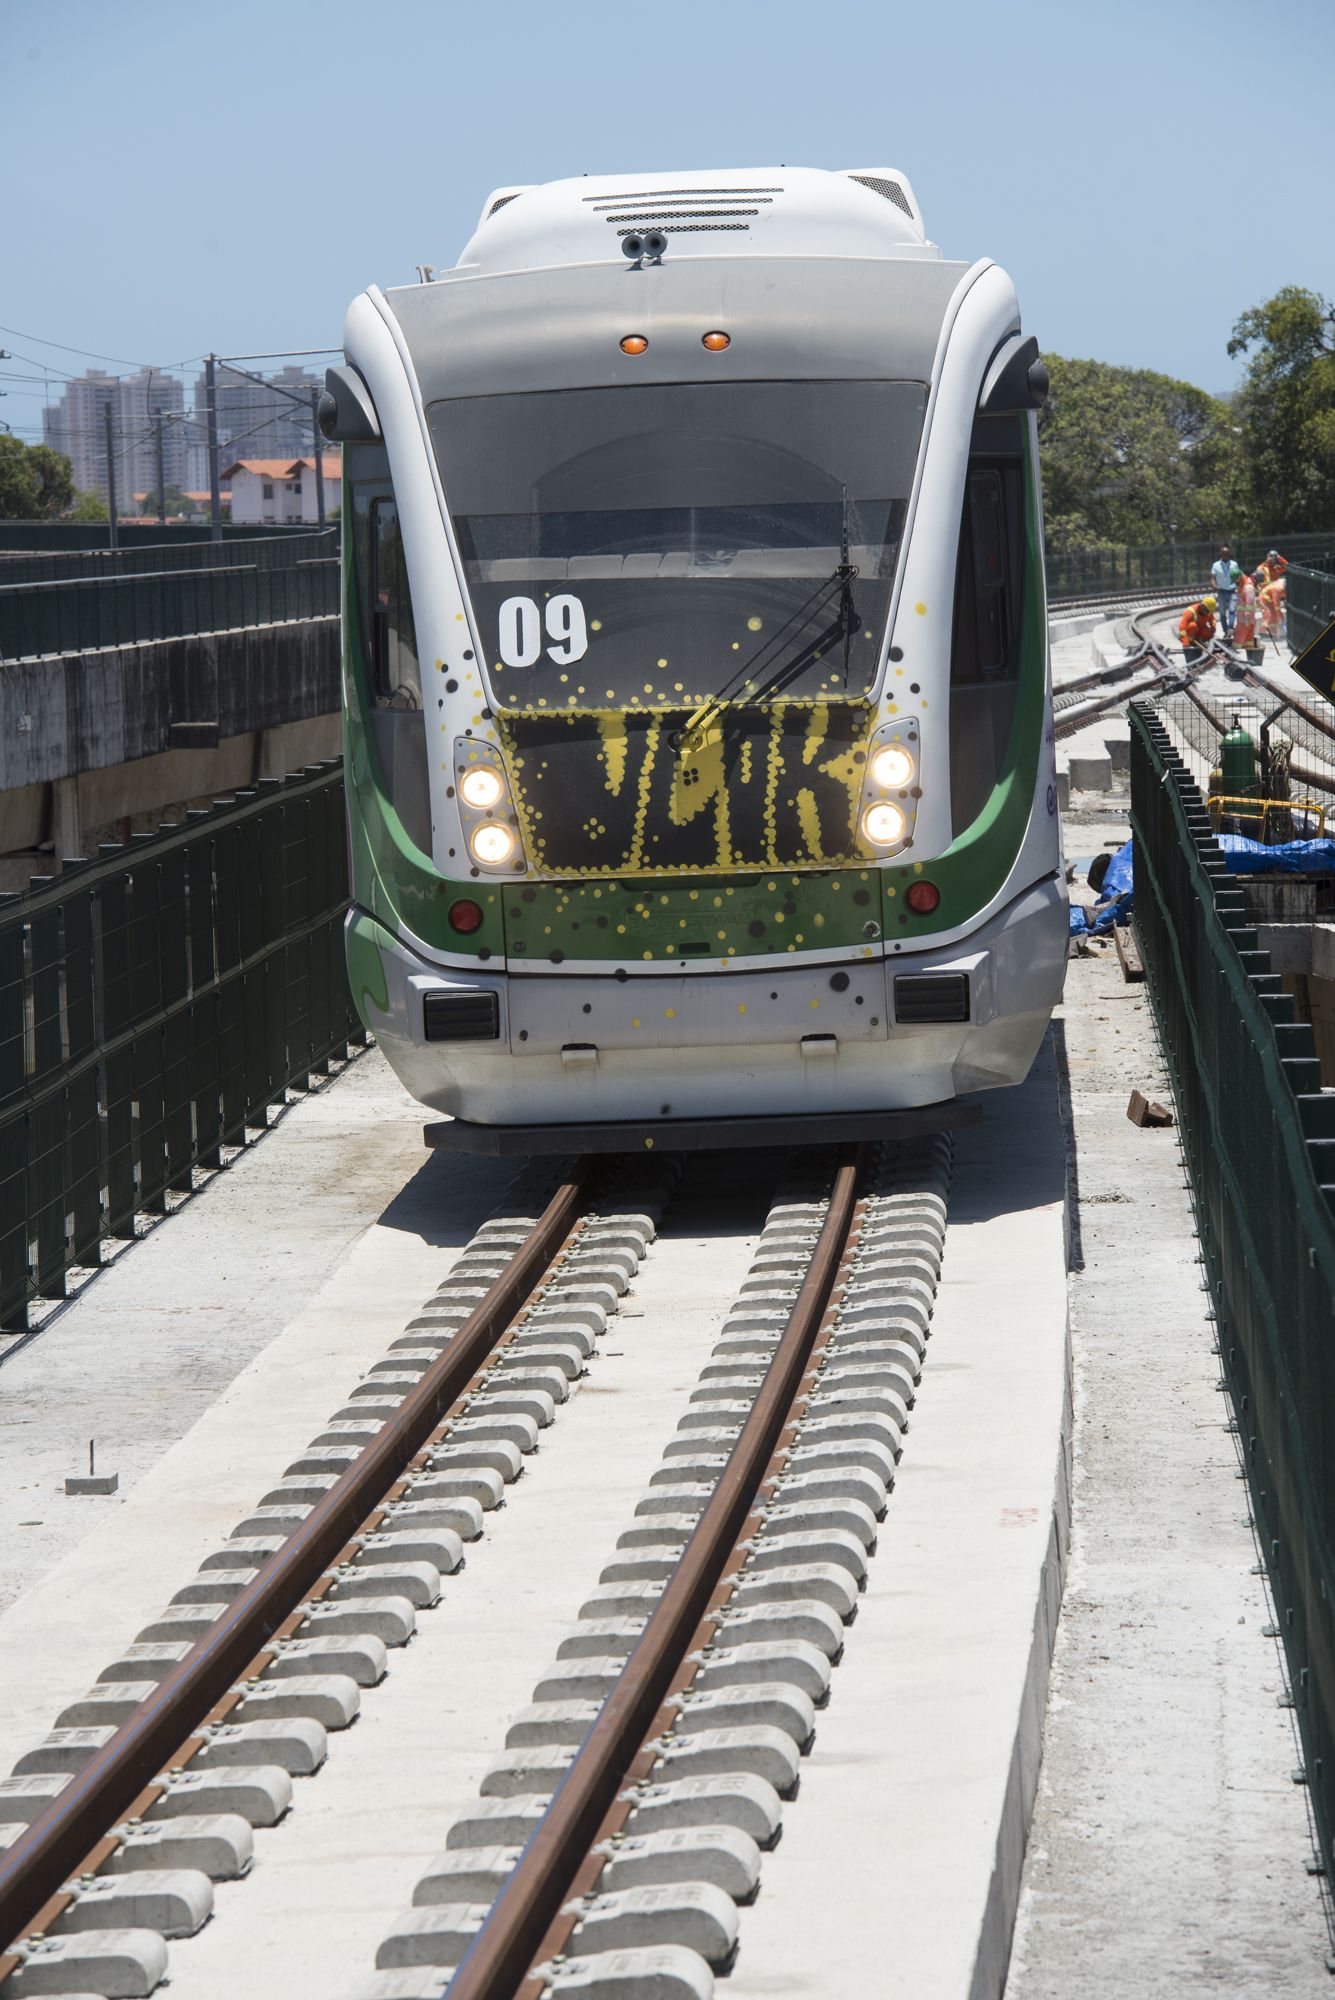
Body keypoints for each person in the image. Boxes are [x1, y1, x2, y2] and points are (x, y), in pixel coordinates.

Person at [1211, 545, 1237, 637]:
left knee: (1232, 610)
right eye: (1224, 554)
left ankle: (1230, 628)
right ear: (1220, 554)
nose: (1226, 555)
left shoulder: (1234, 564)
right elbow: (1213, 578)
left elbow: (1237, 577)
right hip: (1221, 591)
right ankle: (1225, 630)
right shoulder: (1216, 565)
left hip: (1232, 590)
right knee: (1222, 612)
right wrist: (1214, 585)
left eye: (1227, 554)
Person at [1233, 569, 1258, 649]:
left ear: (1241, 579)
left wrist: (1247, 616)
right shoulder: (1243, 587)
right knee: (1248, 638)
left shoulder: (1248, 589)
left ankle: (1234, 651)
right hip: (1246, 620)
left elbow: (1250, 604)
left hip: (1244, 620)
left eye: (1237, 583)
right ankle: (1249, 651)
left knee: (1239, 637)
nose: (1236, 585)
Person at [1260, 571, 1286, 645]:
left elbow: (1285, 599)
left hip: (1270, 599)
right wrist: (1280, 615)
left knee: (1274, 617)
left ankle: (1273, 634)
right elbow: (1276, 604)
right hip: (1265, 599)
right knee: (1268, 616)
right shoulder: (1278, 589)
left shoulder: (1284, 585)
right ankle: (1264, 634)